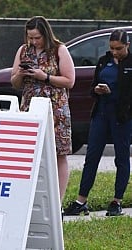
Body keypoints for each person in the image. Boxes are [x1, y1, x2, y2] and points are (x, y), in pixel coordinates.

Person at [63, 29, 132, 217]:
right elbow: (92, 87)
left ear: (127, 45)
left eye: (119, 48)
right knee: (91, 156)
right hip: (100, 114)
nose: (115, 52)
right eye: (112, 48)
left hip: (121, 117)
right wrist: (98, 90)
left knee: (122, 157)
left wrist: (114, 94)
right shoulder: (104, 61)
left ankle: (117, 201)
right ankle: (81, 200)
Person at [11, 16, 75, 203]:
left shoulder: (59, 50)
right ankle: (30, 198)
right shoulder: (23, 51)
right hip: (30, 106)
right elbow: (14, 82)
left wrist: (44, 76)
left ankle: (58, 202)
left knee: (59, 153)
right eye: (30, 37)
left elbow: (69, 81)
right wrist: (21, 74)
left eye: (37, 37)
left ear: (45, 34)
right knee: (29, 152)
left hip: (55, 108)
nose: (33, 41)